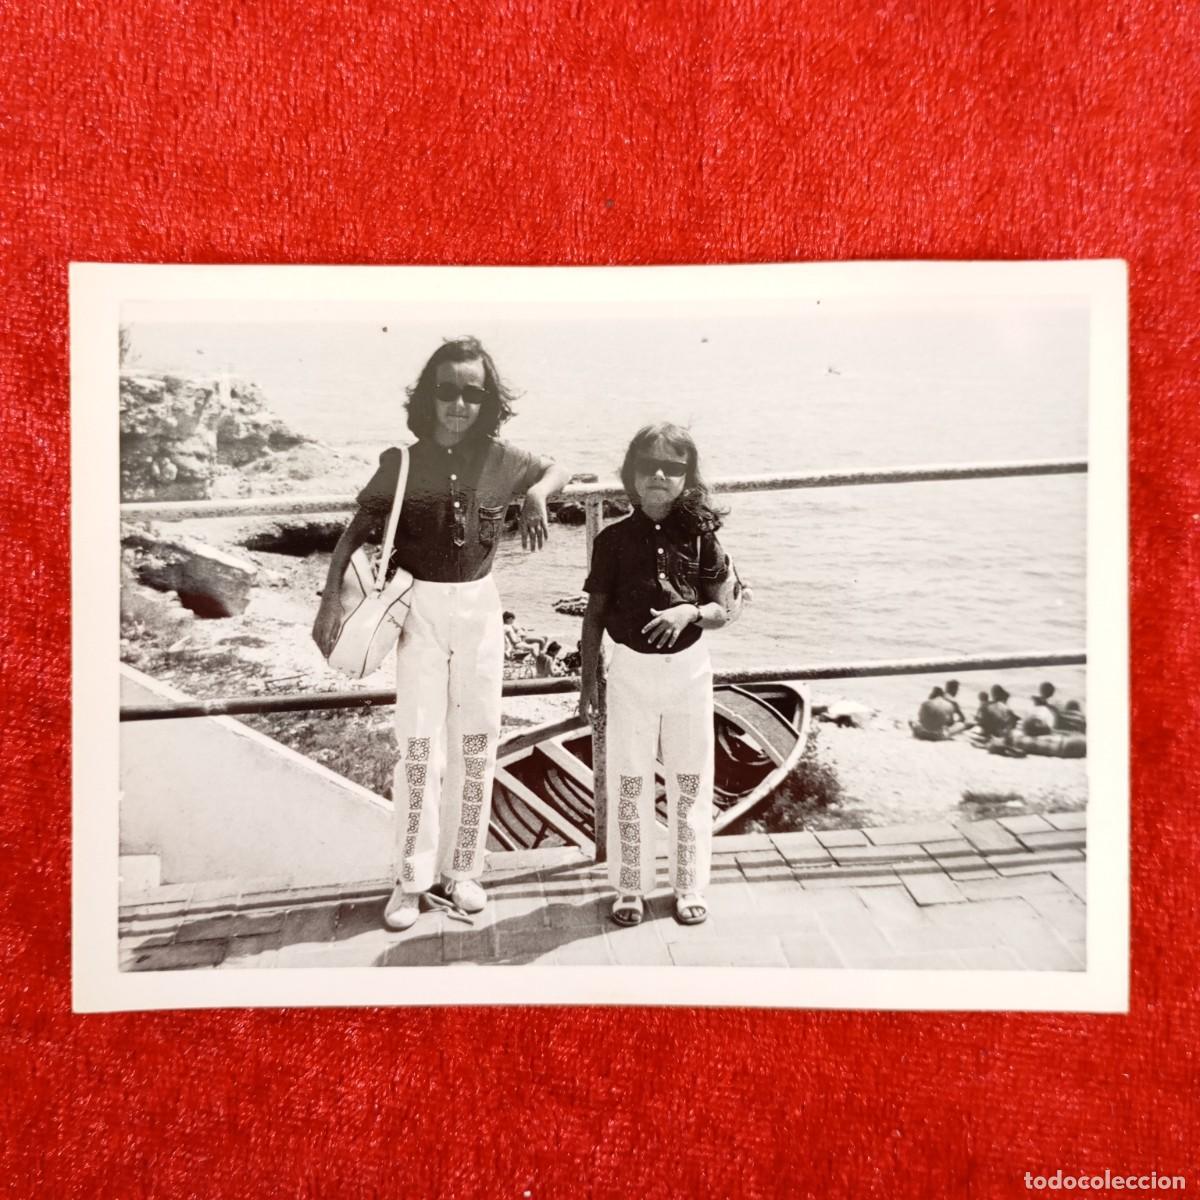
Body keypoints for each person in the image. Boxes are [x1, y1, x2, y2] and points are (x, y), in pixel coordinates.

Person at [312, 337, 571, 931]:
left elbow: (559, 467)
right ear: (428, 396)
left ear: (487, 401)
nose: (459, 404)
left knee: (477, 741)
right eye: (447, 390)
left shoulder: (502, 459)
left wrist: (537, 493)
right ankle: (410, 879)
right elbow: (356, 532)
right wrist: (329, 601)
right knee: (419, 746)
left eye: (472, 393)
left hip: (481, 607)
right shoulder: (403, 463)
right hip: (419, 610)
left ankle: (463, 871)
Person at [578, 423, 732, 928]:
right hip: (630, 673)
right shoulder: (612, 540)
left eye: (672, 467)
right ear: (632, 474)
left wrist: (690, 611)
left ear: (688, 476)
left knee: (690, 778)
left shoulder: (702, 538)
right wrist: (589, 682)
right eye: (648, 465)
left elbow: (722, 610)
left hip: (689, 673)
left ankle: (689, 883)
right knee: (629, 779)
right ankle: (630, 885)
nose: (660, 476)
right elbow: (594, 617)